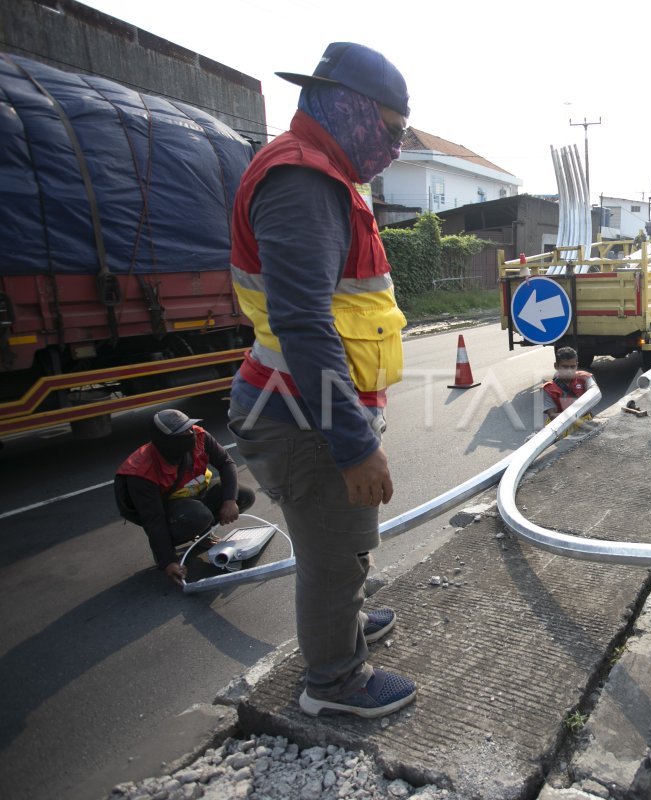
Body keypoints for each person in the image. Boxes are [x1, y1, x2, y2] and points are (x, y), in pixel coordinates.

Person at [226, 42, 415, 719]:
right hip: (301, 411)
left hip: (305, 403)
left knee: (343, 542)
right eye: (390, 131)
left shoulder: (325, 174)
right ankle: (334, 683)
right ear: (350, 109)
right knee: (334, 552)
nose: (393, 148)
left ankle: (347, 625)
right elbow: (304, 324)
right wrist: (354, 444)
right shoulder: (303, 179)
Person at [115, 409, 255, 587]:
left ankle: (203, 533)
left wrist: (229, 500)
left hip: (198, 494)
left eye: (189, 428)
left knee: (244, 496)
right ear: (166, 441)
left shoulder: (199, 435)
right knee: (198, 517)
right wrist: (168, 561)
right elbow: (153, 519)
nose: (191, 433)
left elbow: (226, 463)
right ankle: (168, 546)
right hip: (173, 510)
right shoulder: (141, 472)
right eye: (183, 432)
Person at [542, 346, 596, 423]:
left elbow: (593, 399)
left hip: (584, 422)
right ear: (556, 366)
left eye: (572, 367)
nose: (569, 371)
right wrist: (577, 414)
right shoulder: (548, 389)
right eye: (565, 367)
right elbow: (552, 415)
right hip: (560, 427)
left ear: (577, 365)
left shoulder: (586, 378)